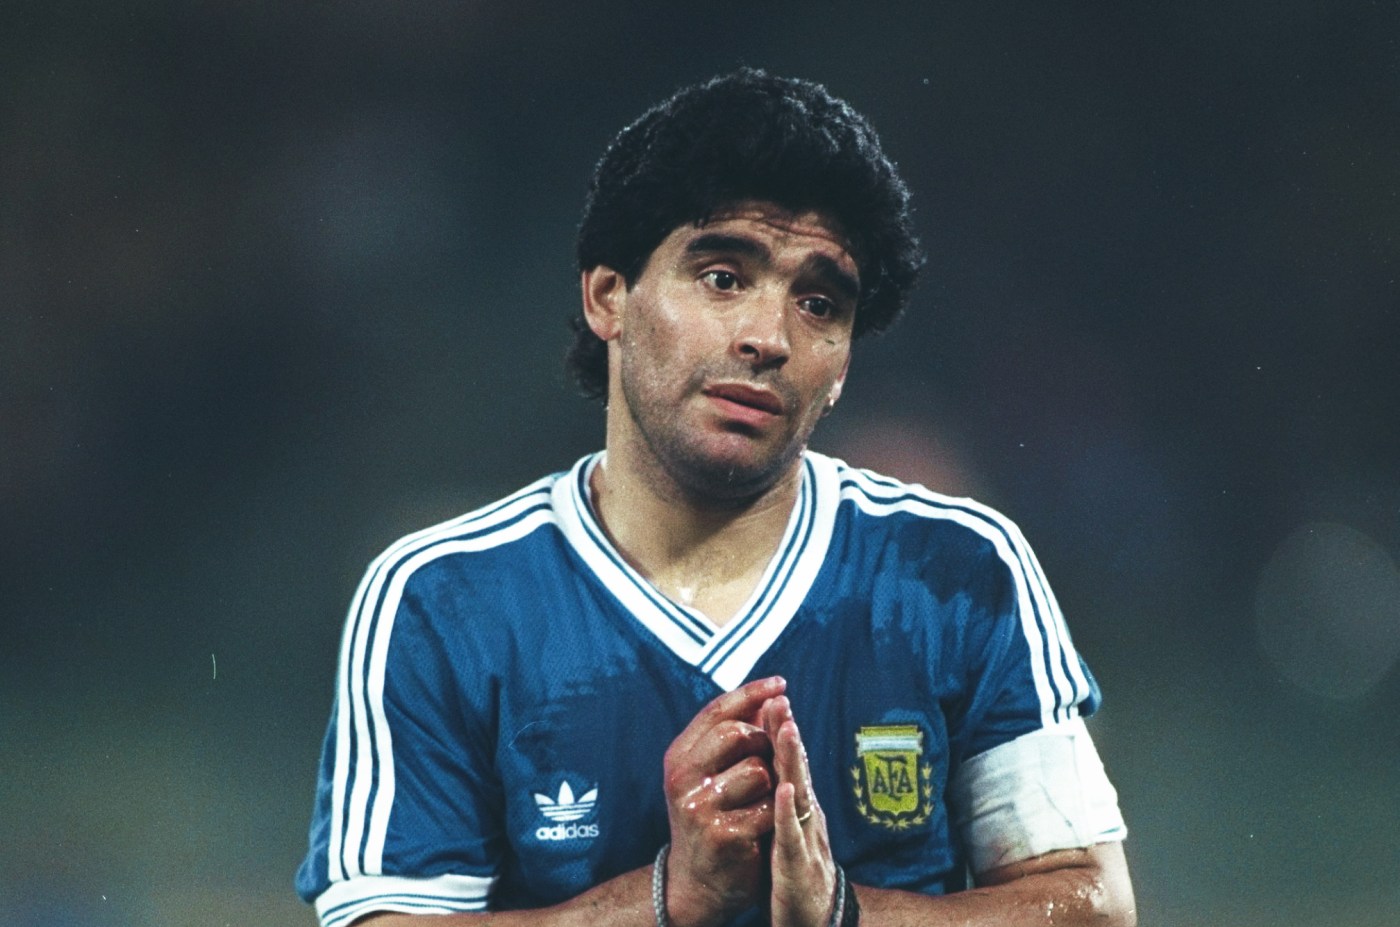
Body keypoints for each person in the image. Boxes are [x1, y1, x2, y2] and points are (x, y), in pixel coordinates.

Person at [296, 69, 1136, 927]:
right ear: (608, 295)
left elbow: (1095, 906)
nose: (769, 336)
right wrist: (666, 899)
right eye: (724, 277)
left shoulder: (959, 572)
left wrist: (843, 914)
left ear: (843, 364)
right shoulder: (444, 598)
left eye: (818, 302)